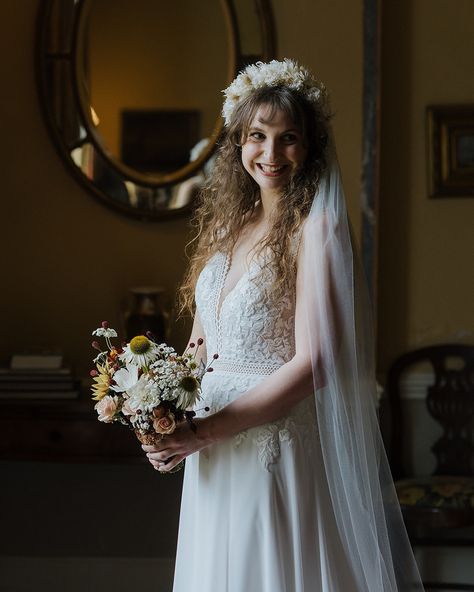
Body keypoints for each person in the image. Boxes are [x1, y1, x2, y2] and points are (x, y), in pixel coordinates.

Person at [142, 59, 424, 591]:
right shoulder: (228, 226)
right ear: (238, 143)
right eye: (257, 136)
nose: (271, 155)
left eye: (288, 138)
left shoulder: (318, 230)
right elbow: (202, 345)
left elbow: (315, 363)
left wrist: (203, 432)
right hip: (210, 451)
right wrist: (160, 414)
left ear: (310, 146)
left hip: (270, 451)